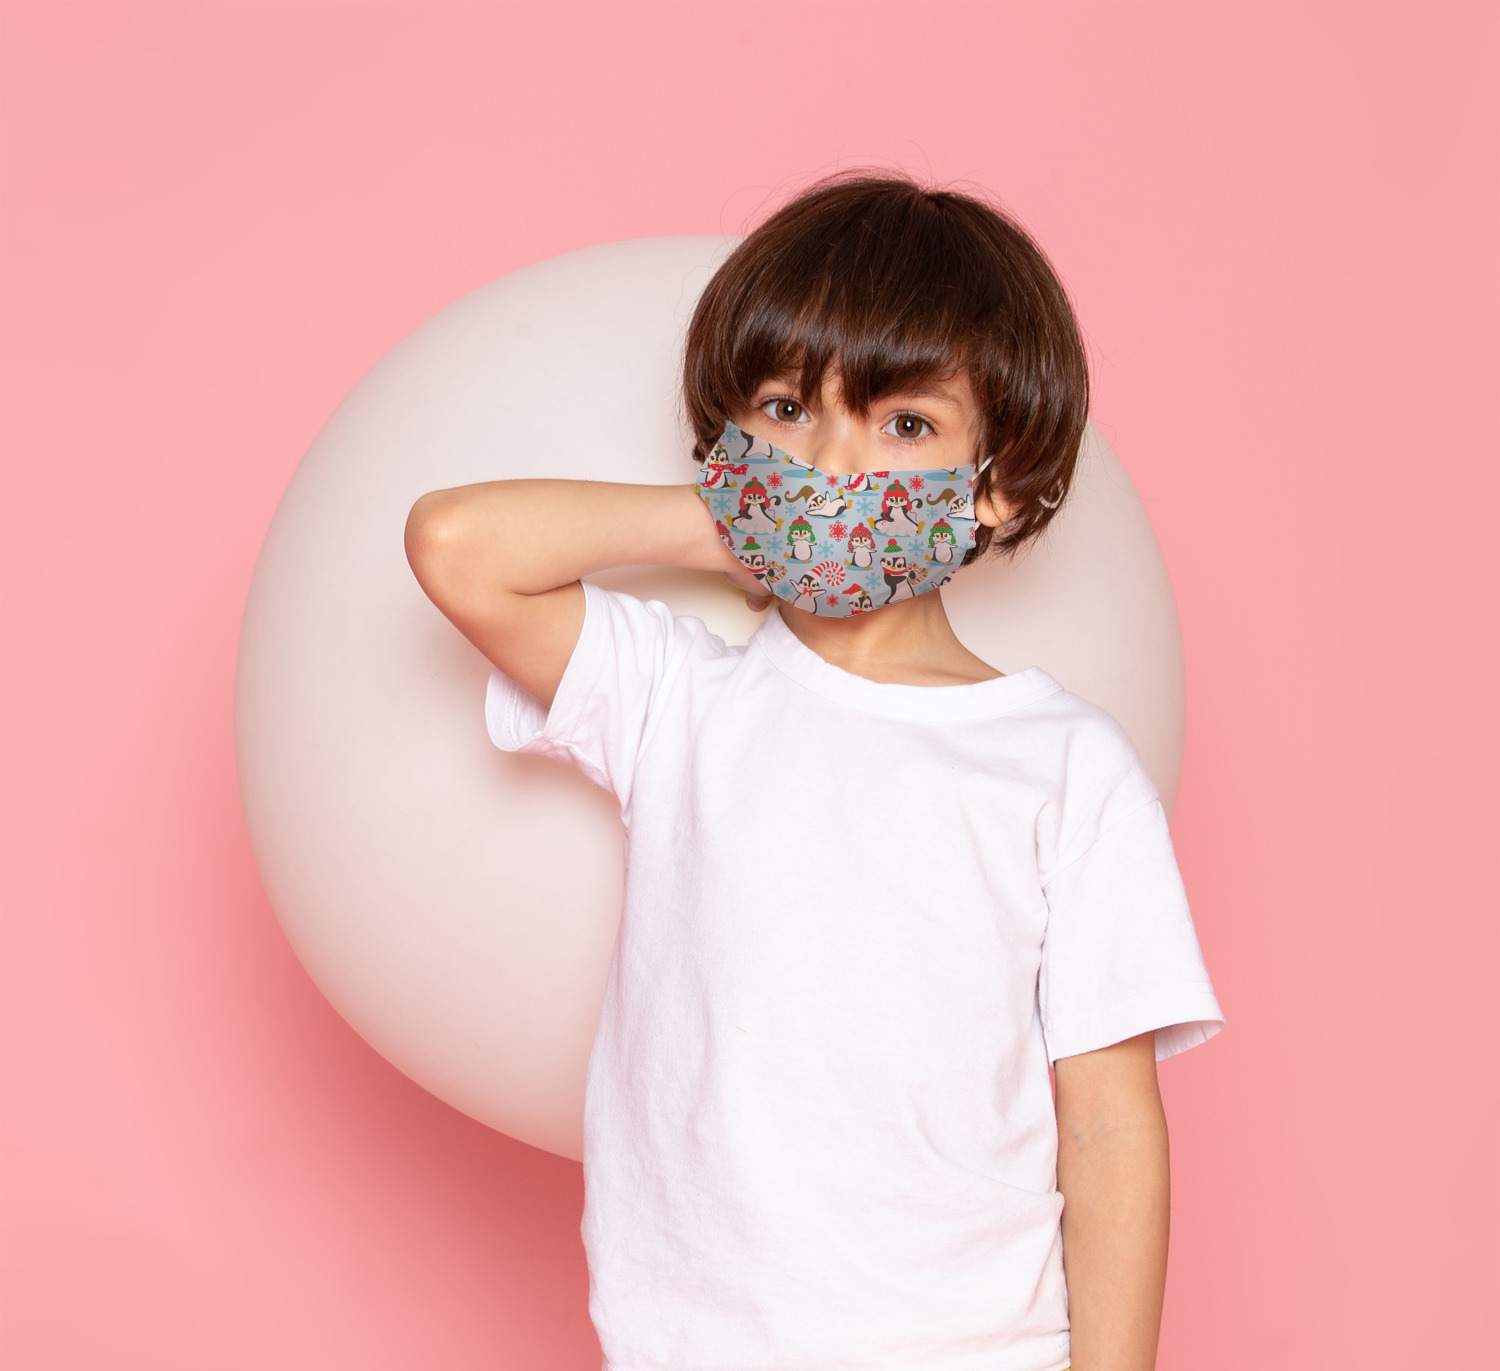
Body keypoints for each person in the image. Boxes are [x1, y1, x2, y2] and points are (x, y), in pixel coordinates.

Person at [404, 172, 1223, 1371]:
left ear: (995, 484)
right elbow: (456, 545)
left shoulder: (1062, 765)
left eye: (905, 426)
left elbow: (1108, 1130)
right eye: (789, 410)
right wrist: (735, 528)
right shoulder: (678, 698)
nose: (834, 464)